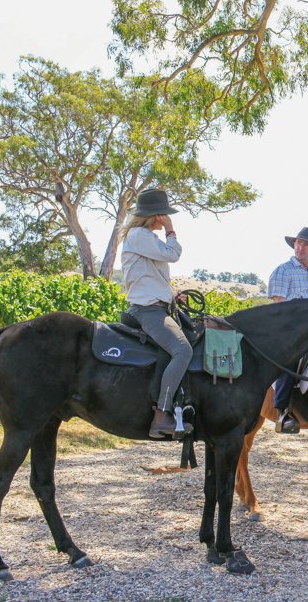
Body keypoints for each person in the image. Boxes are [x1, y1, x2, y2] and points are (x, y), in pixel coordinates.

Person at [120, 188, 193, 439]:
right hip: (147, 310)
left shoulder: (142, 237)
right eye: (163, 215)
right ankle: (161, 415)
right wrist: (171, 229)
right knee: (183, 350)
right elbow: (173, 254)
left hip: (155, 304)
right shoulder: (139, 234)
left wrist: (171, 295)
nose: (164, 219)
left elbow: (149, 275)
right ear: (155, 215)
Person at [268, 226, 308, 434]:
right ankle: (283, 411)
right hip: (289, 329)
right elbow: (279, 307)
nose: (300, 247)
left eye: (305, 244)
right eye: (298, 243)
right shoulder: (283, 271)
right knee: (290, 359)